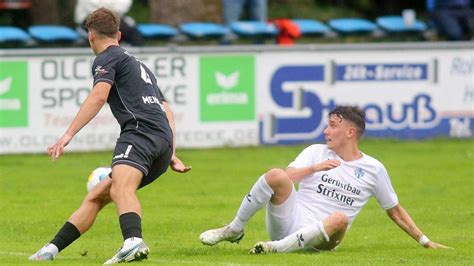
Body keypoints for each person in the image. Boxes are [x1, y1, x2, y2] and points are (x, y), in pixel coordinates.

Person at [29, 7, 191, 264]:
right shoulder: (139, 65)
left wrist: (67, 135)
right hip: (161, 140)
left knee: (120, 188)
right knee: (96, 196)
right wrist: (171, 152)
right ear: (119, 34)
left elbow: (99, 96)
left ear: (90, 36)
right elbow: (167, 109)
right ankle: (49, 251)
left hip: (139, 133)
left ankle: (133, 241)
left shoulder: (106, 58)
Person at [200, 106, 450, 253]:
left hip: (325, 237)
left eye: (332, 126)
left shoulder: (374, 168)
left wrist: (425, 241)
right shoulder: (315, 151)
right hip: (288, 222)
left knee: (340, 219)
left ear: (350, 132)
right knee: (275, 174)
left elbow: (394, 210)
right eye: (327, 125)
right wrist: (314, 168)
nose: (326, 131)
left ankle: (274, 249)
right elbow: (285, 178)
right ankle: (234, 229)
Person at [75, 0, 144, 46]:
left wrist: (103, 6)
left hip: (115, 18)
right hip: (89, 18)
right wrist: (111, 7)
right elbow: (91, 7)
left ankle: (138, 59)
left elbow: (122, 7)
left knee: (132, 32)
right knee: (109, 31)